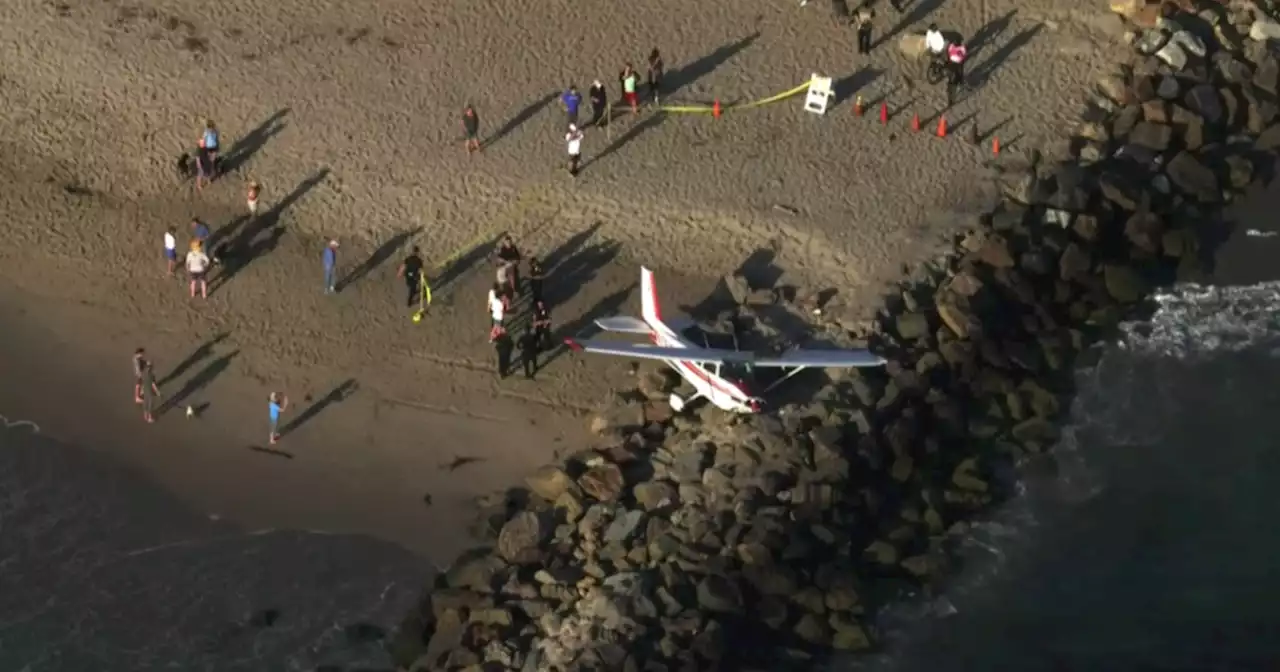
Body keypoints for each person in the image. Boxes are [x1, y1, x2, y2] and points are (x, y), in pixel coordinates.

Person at [196, 120, 219, 190]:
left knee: (210, 166)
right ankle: (199, 184)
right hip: (207, 152)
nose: (211, 129)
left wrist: (216, 149)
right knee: (201, 172)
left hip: (212, 149)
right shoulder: (206, 133)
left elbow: (216, 139)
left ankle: (208, 179)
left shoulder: (215, 132)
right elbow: (198, 156)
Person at [139, 357, 159, 423]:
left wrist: (141, 390)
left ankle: (145, 416)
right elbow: (153, 384)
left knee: (145, 403)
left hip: (145, 390)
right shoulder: (151, 375)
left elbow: (142, 382)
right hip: (149, 391)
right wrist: (157, 392)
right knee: (150, 404)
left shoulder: (143, 374)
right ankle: (150, 418)